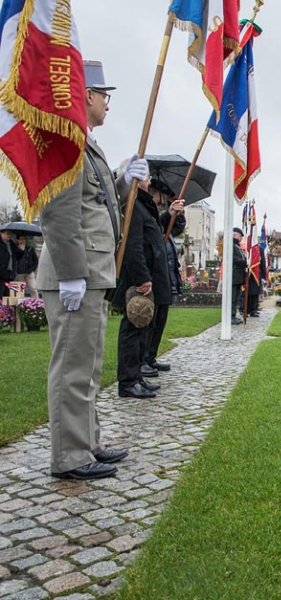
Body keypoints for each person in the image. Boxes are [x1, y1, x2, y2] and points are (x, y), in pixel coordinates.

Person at [36, 60, 146, 480]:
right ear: (85, 95)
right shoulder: (65, 138)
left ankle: (88, 442)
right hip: (76, 271)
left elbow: (95, 201)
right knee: (71, 367)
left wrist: (122, 178)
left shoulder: (86, 142)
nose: (108, 103)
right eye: (105, 95)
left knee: (89, 367)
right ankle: (69, 457)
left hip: (91, 271)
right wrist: (70, 272)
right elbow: (58, 211)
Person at [112, 174, 168, 399]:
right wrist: (142, 277)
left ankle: (135, 376)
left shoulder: (144, 206)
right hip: (138, 279)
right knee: (132, 329)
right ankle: (127, 382)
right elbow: (133, 245)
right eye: (145, 175)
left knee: (141, 329)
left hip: (148, 277)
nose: (150, 178)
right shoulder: (134, 205)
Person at [143, 180, 186, 374]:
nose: (161, 206)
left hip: (166, 276)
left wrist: (178, 211)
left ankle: (151, 357)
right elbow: (154, 226)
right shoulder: (144, 213)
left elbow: (176, 227)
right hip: (154, 275)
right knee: (149, 322)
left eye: (163, 204)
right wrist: (167, 213)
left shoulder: (159, 219)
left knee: (160, 320)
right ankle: (142, 359)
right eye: (159, 203)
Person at [231, 228, 248, 325]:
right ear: (235, 235)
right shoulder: (232, 245)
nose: (241, 238)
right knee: (233, 297)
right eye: (240, 236)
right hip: (234, 275)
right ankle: (231, 316)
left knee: (236, 297)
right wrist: (245, 262)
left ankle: (233, 315)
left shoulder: (237, 246)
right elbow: (234, 258)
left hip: (238, 276)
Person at [247, 240, 266, 317]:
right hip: (247, 273)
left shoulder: (259, 249)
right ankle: (245, 309)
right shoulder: (246, 248)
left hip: (256, 273)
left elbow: (263, 262)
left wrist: (263, 276)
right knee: (246, 292)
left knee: (255, 292)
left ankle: (254, 309)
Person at [0, 229, 22, 296]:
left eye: (10, 234)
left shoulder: (12, 244)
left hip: (11, 273)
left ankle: (8, 306)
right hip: (1, 273)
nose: (9, 236)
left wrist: (21, 250)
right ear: (1, 233)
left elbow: (17, 257)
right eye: (7, 233)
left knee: (10, 295)